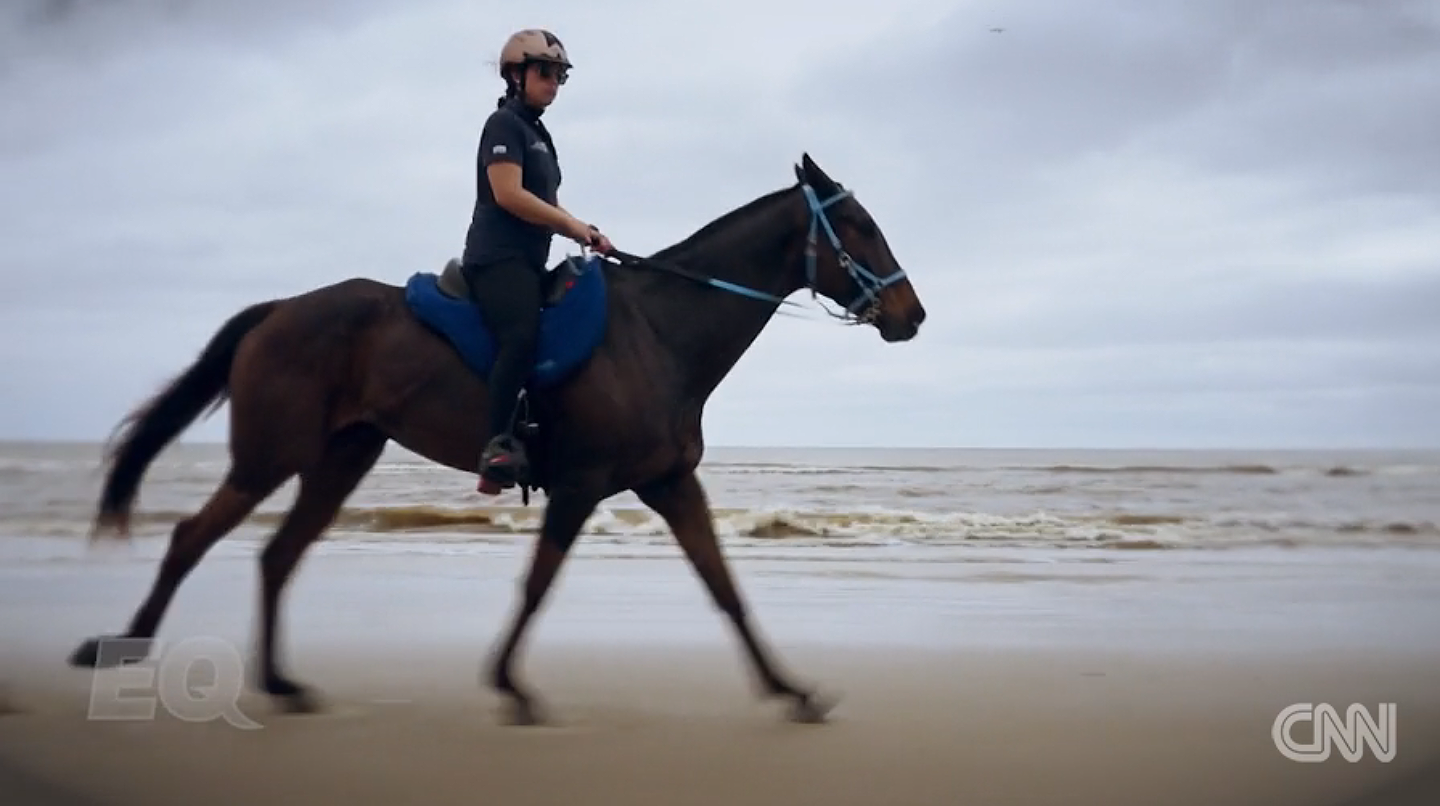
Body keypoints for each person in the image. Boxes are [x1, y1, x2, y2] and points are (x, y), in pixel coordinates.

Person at [460, 28, 614, 494]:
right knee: (521, 336)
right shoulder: (503, 125)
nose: (553, 82)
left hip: (530, 261)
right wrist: (571, 228)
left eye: (559, 76)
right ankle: (497, 446)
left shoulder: (537, 132)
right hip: (497, 259)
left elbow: (548, 201)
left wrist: (586, 229)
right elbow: (510, 195)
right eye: (545, 72)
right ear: (515, 74)